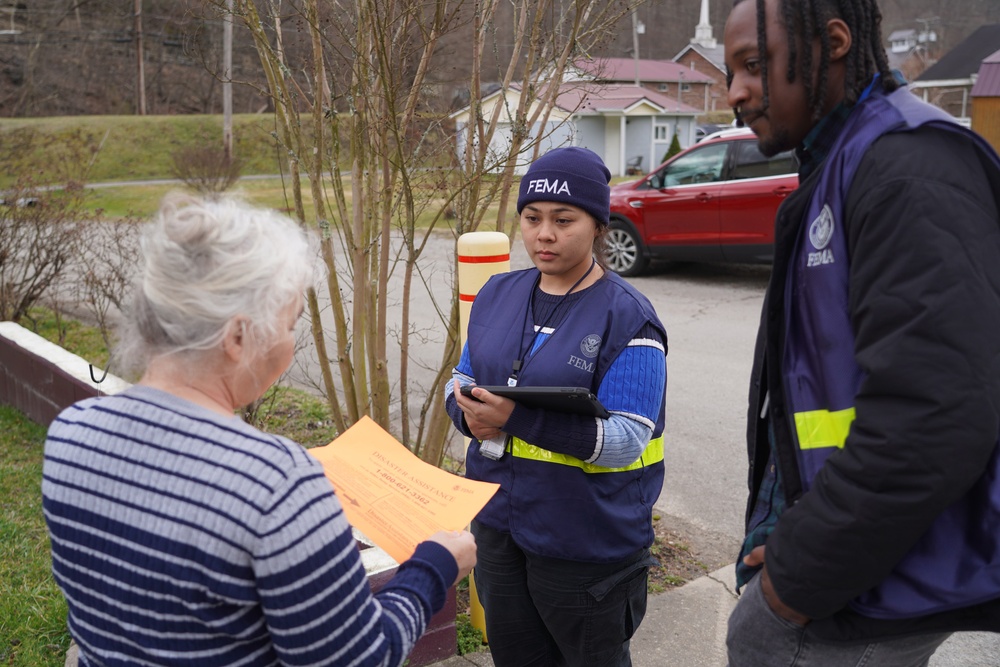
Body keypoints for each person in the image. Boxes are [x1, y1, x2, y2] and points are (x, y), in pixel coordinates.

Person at [42, 194, 476, 667]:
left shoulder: (71, 432)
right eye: (290, 324)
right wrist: (434, 567)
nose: (292, 342)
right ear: (238, 337)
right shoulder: (279, 484)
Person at [723, 0, 1000, 664]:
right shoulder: (843, 160)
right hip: (849, 577)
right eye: (730, 72)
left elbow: (935, 414)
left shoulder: (908, 167)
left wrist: (795, 578)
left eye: (754, 65)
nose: (734, 93)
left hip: (857, 598)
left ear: (834, 42)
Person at [445, 146, 668, 666]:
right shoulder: (498, 294)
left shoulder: (628, 317)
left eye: (563, 220)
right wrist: (471, 418)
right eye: (532, 218)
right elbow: (460, 381)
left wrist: (513, 418)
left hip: (586, 543)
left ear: (597, 227)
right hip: (500, 526)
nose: (544, 234)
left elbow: (627, 441)